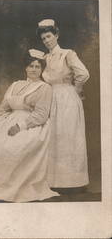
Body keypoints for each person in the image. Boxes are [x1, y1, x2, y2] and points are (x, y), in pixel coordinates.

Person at [0, 49, 59, 202]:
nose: (34, 70)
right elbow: (3, 109)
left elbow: (41, 115)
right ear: (25, 67)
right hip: (9, 121)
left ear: (42, 69)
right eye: (31, 66)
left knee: (12, 147)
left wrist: (20, 126)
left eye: (38, 67)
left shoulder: (44, 88)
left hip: (31, 125)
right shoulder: (15, 85)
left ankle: (6, 189)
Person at [36, 19, 90, 192]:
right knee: (54, 137)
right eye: (43, 38)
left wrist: (75, 89)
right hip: (51, 97)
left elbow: (83, 73)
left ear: (57, 35)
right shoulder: (46, 57)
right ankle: (55, 182)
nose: (46, 41)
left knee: (68, 136)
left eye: (49, 36)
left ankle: (73, 182)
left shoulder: (67, 54)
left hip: (67, 97)